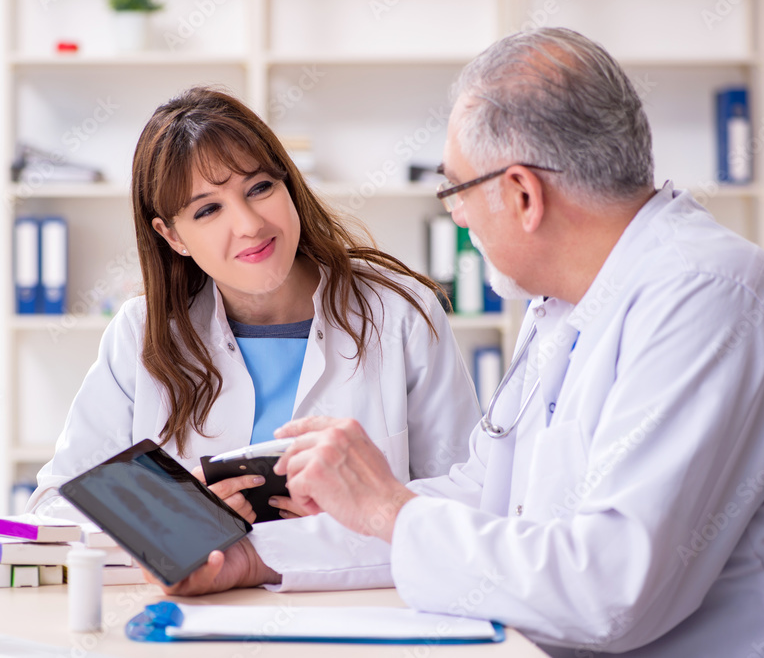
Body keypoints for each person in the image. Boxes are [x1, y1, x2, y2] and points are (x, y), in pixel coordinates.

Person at [153, 29, 764, 657]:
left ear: (523, 194)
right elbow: (485, 498)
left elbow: (609, 591)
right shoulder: (563, 305)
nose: (456, 214)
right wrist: (259, 558)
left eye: (455, 189)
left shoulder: (707, 298)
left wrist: (387, 505)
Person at [27, 87, 480, 524]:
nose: (249, 225)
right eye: (207, 210)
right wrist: (171, 511)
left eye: (260, 187)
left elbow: (473, 496)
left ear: (289, 184)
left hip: (361, 577)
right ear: (173, 236)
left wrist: (370, 510)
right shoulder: (141, 334)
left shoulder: (400, 314)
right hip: (208, 581)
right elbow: (53, 508)